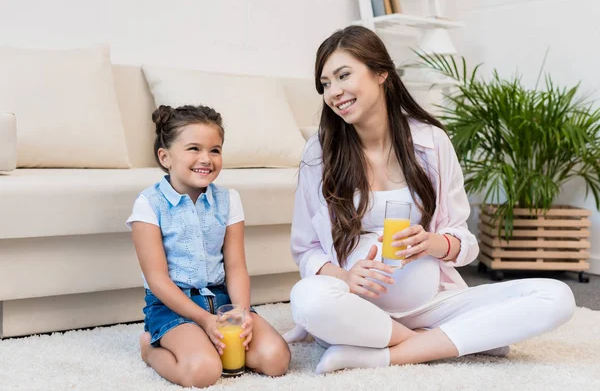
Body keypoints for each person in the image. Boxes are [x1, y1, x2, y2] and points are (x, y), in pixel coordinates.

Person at [284, 25, 576, 374]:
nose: (334, 92)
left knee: (556, 297)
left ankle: (386, 353)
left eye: (343, 75)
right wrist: (345, 279)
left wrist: (432, 242)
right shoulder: (320, 151)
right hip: (354, 305)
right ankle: (438, 340)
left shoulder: (431, 142)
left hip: (434, 302)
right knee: (308, 300)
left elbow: (463, 241)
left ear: (381, 73)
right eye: (326, 83)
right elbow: (307, 249)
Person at [127, 105, 290, 387]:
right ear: (165, 157)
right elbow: (157, 280)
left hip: (222, 300)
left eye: (215, 150)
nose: (206, 159)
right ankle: (150, 350)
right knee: (204, 371)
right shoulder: (149, 205)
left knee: (276, 359)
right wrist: (203, 320)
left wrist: (240, 312)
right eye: (194, 148)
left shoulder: (229, 200)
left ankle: (207, 341)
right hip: (173, 305)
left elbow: (236, 266)